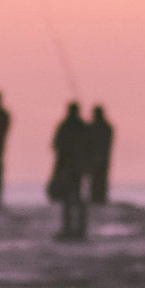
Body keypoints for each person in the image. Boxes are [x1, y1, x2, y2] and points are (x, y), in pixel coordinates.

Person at [46, 102, 89, 240]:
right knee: (74, 199)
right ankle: (77, 229)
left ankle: (72, 229)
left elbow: (56, 145)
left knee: (69, 200)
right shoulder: (82, 127)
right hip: (75, 167)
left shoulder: (66, 126)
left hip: (68, 167)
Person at [87, 104, 114, 204]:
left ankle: (98, 198)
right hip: (102, 159)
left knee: (98, 181)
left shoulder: (100, 127)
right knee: (98, 181)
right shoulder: (106, 127)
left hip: (98, 159)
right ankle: (98, 198)